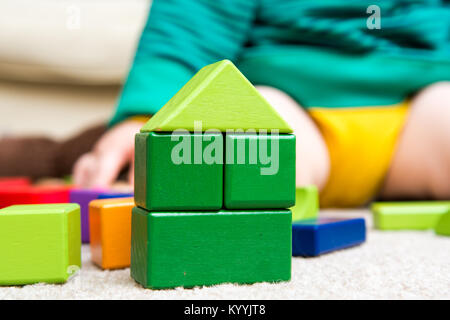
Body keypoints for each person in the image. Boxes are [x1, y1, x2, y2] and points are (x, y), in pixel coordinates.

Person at [4, 0, 450, 208]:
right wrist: (146, 118)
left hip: (416, 115)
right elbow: (188, 31)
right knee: (245, 142)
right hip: (290, 105)